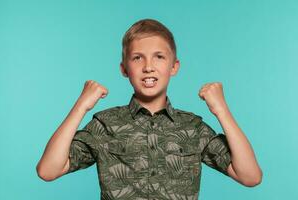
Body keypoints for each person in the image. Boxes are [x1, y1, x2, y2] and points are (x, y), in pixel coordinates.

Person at [36, 19, 262, 199]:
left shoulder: (193, 128)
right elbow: (48, 170)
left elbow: (250, 176)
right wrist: (81, 106)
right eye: (137, 58)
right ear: (124, 69)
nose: (148, 67)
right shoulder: (105, 124)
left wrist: (222, 111)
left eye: (159, 57)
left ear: (174, 67)